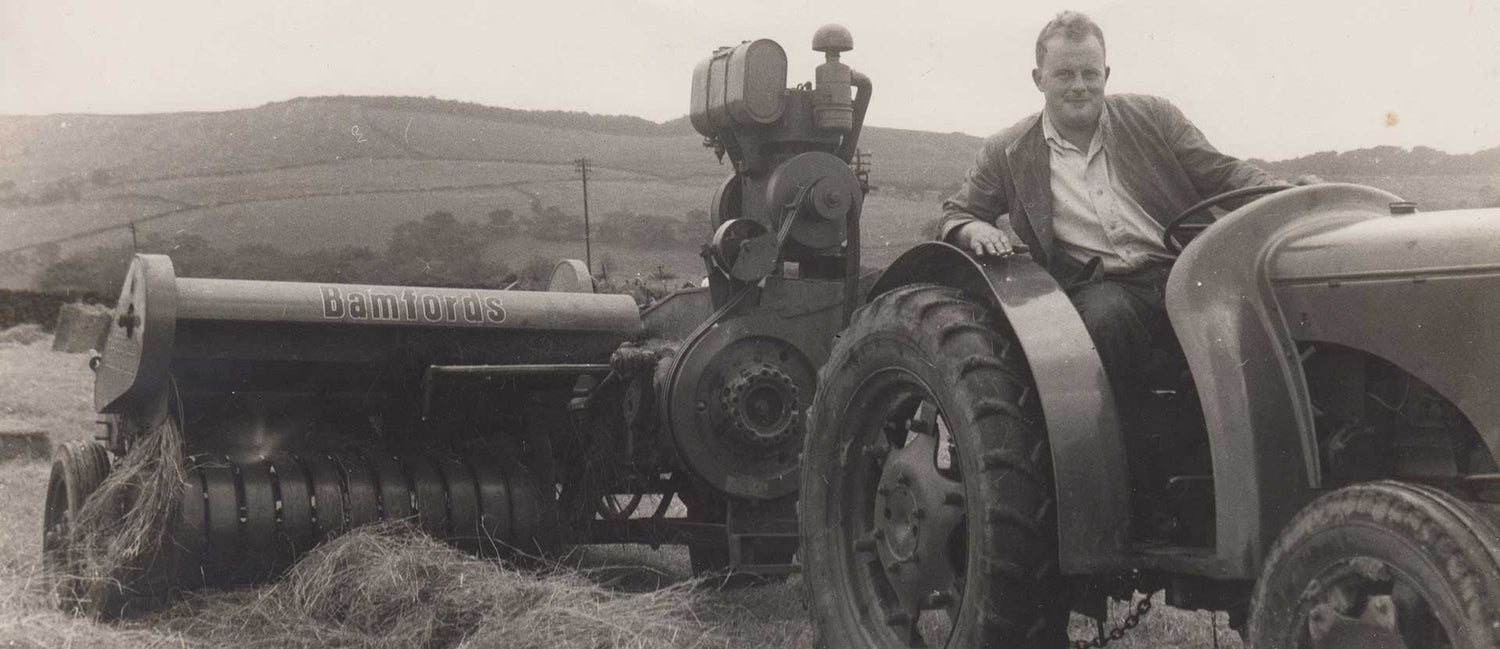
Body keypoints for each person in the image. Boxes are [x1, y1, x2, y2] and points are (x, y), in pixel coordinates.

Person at [938, 10, 1280, 525]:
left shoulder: (1154, 118)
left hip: (1182, 270)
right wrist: (970, 229)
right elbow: (956, 212)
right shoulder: (1009, 151)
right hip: (1102, 287)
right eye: (1064, 74)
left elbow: (1221, 173)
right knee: (1105, 324)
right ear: (1039, 80)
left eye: (1089, 74)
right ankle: (1137, 497)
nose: (1079, 86)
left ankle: (1257, 485)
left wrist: (1285, 192)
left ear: (1106, 75)